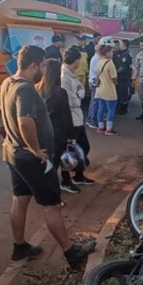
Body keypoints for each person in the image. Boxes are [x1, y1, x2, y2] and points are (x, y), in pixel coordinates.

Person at [0, 44, 95, 264]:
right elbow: (25, 122)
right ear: (32, 65)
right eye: (41, 65)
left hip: (13, 153)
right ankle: (70, 252)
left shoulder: (7, 83)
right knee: (52, 205)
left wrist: (11, 130)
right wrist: (35, 149)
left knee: (20, 200)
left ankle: (19, 246)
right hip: (32, 159)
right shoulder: (26, 89)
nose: (44, 69)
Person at [36, 58, 81, 194]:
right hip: (58, 134)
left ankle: (60, 184)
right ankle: (51, 193)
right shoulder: (60, 92)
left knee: (50, 163)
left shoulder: (38, 89)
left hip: (42, 133)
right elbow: (66, 117)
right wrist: (71, 137)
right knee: (56, 164)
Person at [60, 48, 96, 188]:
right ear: (76, 61)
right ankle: (66, 179)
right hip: (71, 119)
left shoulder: (71, 74)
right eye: (79, 60)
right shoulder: (64, 76)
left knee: (83, 147)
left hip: (77, 117)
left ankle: (79, 174)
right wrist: (79, 95)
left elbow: (80, 89)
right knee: (70, 151)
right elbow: (71, 100)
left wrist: (78, 94)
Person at [94, 43, 119, 135]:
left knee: (101, 108)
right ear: (107, 52)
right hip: (109, 90)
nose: (113, 53)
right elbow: (114, 77)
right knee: (111, 110)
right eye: (112, 51)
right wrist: (115, 82)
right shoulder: (110, 63)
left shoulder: (99, 61)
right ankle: (109, 129)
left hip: (100, 89)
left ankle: (100, 127)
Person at [85, 41, 104, 128]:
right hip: (94, 82)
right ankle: (92, 120)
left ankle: (90, 119)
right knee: (95, 102)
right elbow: (97, 71)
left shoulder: (97, 58)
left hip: (93, 81)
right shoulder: (97, 58)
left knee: (94, 101)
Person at [112, 39, 133, 114]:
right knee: (119, 93)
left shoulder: (126, 54)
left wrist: (115, 73)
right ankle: (119, 108)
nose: (118, 45)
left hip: (123, 77)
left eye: (120, 43)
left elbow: (123, 67)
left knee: (123, 94)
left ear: (124, 44)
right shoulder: (119, 53)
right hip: (121, 77)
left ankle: (123, 109)